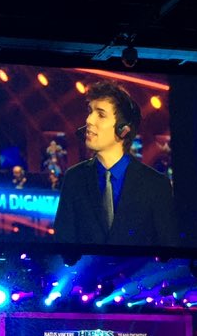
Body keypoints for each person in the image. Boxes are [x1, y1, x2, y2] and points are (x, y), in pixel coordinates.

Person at [52, 80, 178, 247]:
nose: (89, 120)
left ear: (123, 130)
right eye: (90, 111)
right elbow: (63, 242)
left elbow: (167, 248)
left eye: (101, 114)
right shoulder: (74, 178)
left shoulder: (156, 184)